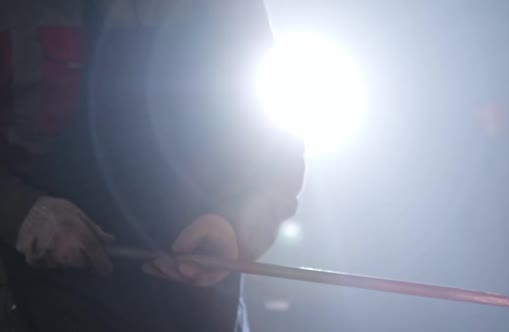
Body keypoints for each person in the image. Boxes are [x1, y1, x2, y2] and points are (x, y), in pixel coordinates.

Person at [0, 1, 305, 331]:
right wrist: (20, 212)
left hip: (203, 308)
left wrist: (236, 227)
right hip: (48, 300)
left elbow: (277, 150)